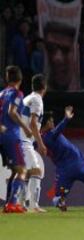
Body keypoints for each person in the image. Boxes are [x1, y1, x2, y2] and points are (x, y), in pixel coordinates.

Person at [1, 65, 33, 213]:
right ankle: (12, 204)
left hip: (2, 134)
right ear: (20, 79)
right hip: (11, 136)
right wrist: (25, 128)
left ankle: (8, 204)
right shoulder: (17, 94)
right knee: (22, 170)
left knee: (15, 170)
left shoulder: (1, 93)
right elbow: (12, 112)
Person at [19, 74, 47, 212]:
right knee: (36, 170)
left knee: (28, 172)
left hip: (19, 140)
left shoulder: (27, 98)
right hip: (24, 141)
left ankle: (21, 204)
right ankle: (34, 206)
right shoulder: (37, 100)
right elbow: (33, 124)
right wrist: (41, 144)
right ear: (44, 87)